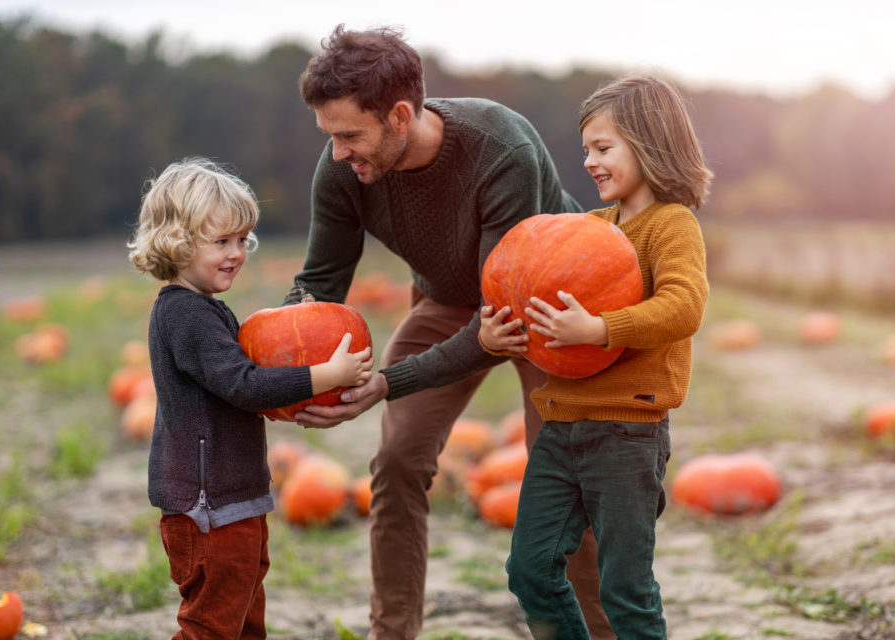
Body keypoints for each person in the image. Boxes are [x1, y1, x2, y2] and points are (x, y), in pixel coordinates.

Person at [282, 25, 614, 640]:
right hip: (449, 301)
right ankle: (393, 632)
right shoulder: (343, 172)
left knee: (565, 476)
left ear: (401, 115)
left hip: (550, 310)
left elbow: (499, 322)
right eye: (329, 136)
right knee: (398, 459)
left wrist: (386, 381)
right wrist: (272, 368)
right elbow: (319, 283)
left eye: (350, 135)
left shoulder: (499, 148)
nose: (337, 154)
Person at [480, 74, 713, 639]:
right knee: (529, 570)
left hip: (628, 432)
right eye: (586, 149)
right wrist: (497, 333)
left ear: (650, 143)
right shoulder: (586, 228)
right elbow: (533, 287)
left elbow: (684, 307)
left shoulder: (671, 226)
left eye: (603, 148)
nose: (589, 161)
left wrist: (601, 328)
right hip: (561, 426)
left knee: (625, 588)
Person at [127, 156, 373, 640]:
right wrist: (324, 375)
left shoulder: (205, 309)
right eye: (221, 241)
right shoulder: (186, 316)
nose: (237, 252)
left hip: (234, 501)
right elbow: (244, 383)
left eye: (242, 239)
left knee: (243, 622)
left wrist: (288, 403)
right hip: (208, 510)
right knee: (212, 627)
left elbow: (235, 392)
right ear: (177, 242)